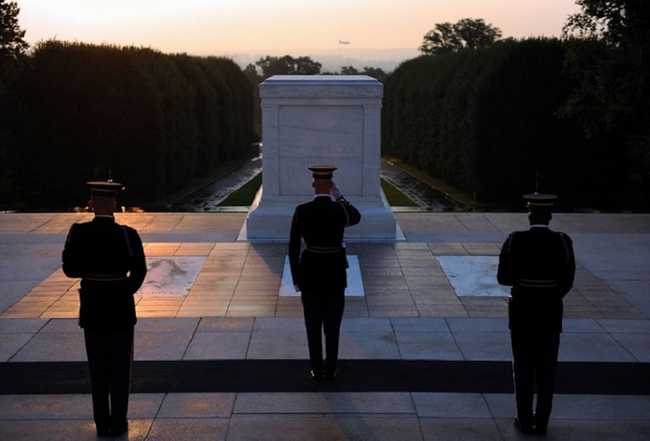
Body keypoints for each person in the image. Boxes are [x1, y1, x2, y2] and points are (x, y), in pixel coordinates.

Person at [62, 180, 147, 437]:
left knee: (98, 370)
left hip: (93, 307)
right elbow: (140, 271)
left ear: (91, 203)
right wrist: (122, 290)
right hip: (120, 308)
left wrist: (93, 276)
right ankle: (119, 423)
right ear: (115, 204)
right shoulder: (128, 234)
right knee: (120, 370)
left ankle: (102, 424)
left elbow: (70, 270)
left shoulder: (78, 232)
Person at [497, 193, 575, 435]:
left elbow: (503, 277)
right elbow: (568, 279)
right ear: (550, 217)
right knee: (546, 370)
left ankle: (523, 418)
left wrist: (525, 285)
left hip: (522, 312)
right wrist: (551, 294)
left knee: (522, 368)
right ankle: (541, 421)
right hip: (550, 312)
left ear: (529, 216)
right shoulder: (562, 241)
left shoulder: (514, 240)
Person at [288, 165, 361, 381]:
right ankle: (330, 370)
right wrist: (340, 197)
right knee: (332, 326)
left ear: (313, 185)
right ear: (331, 186)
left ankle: (316, 369)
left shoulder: (302, 210)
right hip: (335, 274)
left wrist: (296, 278)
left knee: (312, 325)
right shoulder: (340, 210)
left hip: (309, 274)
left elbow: (293, 247)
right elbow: (356, 217)